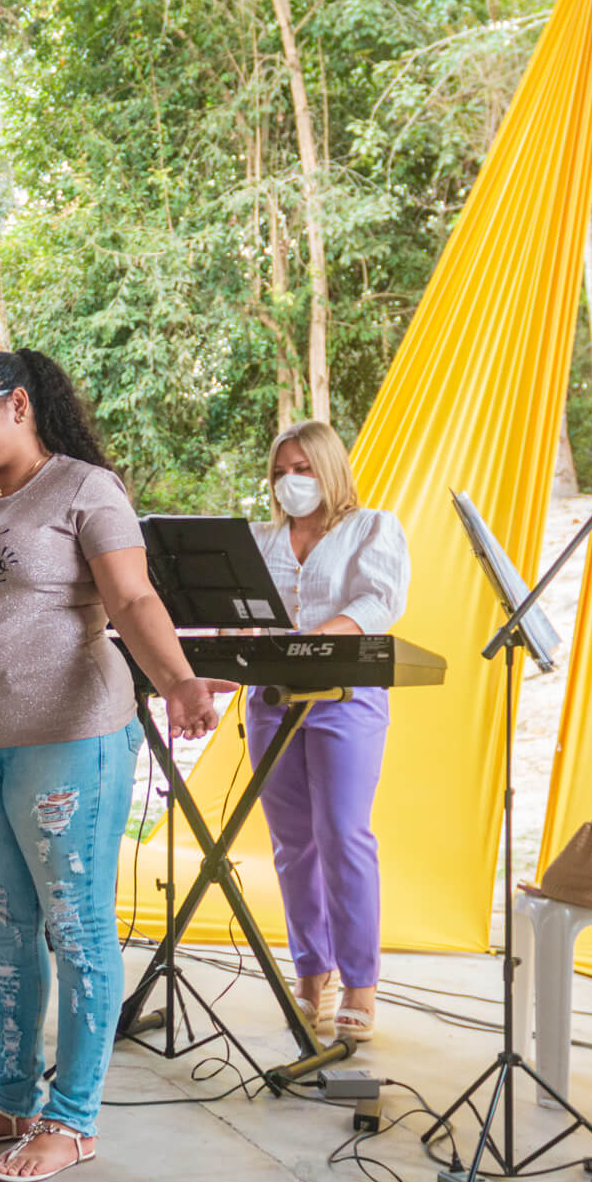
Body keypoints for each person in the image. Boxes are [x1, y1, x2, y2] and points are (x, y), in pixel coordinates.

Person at [0, 348, 229, 1182]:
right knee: (4, 927)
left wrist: (177, 679)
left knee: (75, 928)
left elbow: (134, 599)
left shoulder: (84, 489)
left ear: (20, 404)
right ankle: (9, 1096)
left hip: (72, 740)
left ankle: (71, 1119)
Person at [247, 421, 409, 1042]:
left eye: (304, 469)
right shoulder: (260, 540)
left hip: (345, 695)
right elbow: (246, 617)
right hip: (271, 698)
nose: (291, 481)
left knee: (342, 832)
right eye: (281, 471)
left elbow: (378, 602)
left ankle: (361, 984)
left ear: (330, 470)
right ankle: (313, 974)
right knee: (291, 843)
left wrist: (313, 638)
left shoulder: (372, 528)